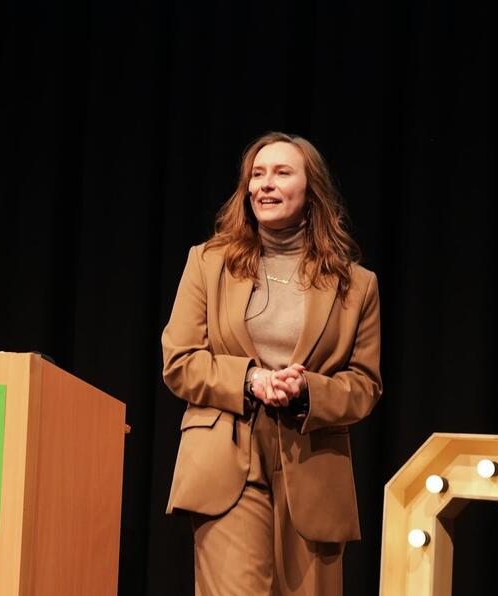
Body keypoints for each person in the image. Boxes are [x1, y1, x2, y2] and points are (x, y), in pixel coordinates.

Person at [161, 131, 382, 596]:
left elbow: (364, 385)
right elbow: (180, 361)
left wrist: (308, 391)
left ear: (311, 190)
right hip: (226, 459)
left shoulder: (355, 285)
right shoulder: (208, 263)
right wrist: (251, 378)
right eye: (257, 175)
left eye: (282, 173)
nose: (265, 184)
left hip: (311, 464)